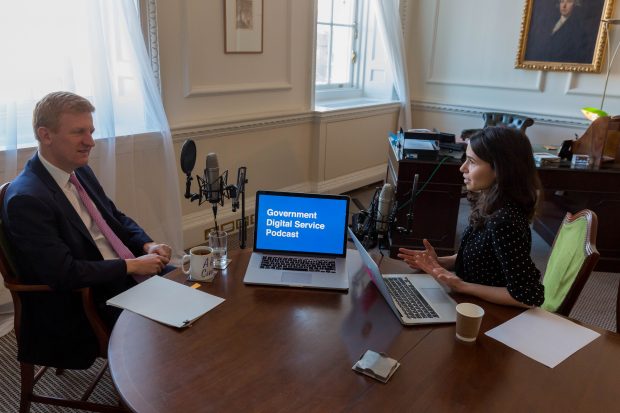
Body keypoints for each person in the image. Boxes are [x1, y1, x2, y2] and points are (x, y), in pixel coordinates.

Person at [2, 91, 173, 368]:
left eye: (91, 131)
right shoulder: (27, 199)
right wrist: (131, 266)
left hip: (120, 274)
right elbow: (63, 273)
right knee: (178, 321)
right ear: (46, 135)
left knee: (197, 290)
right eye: (79, 132)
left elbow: (114, 218)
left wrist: (146, 245)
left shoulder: (79, 171)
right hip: (87, 300)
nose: (90, 142)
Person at [398, 127, 545, 308]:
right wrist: (439, 262)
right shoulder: (491, 202)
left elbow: (530, 296)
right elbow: (485, 256)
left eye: (472, 162)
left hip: (488, 313)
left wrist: (462, 286)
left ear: (500, 169)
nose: (462, 168)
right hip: (470, 303)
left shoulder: (504, 221)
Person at [525, 0, 592, 63]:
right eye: (562, 1)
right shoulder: (549, 21)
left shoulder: (577, 28)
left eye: (569, 2)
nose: (564, 6)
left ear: (575, 5)